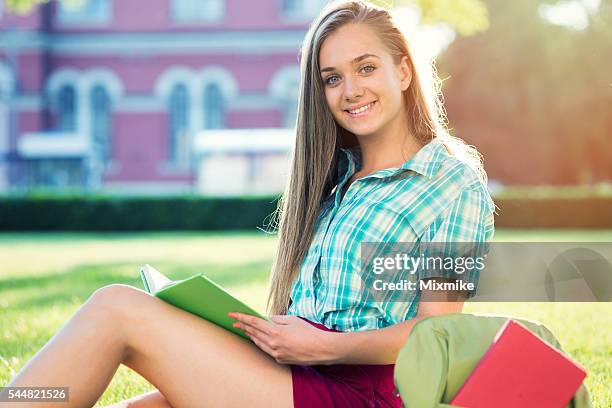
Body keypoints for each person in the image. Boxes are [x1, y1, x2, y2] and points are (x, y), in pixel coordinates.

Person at [0, 1, 495, 407]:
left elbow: (438, 331)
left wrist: (327, 346)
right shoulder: (337, 180)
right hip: (293, 374)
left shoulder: (452, 182)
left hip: (361, 394)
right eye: (332, 78)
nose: (350, 90)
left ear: (404, 71)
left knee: (117, 309)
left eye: (366, 68)